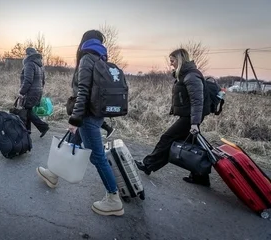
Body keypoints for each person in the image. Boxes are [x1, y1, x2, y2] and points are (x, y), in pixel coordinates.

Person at [36, 30, 124, 216]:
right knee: (72, 143)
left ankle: (114, 199)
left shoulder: (87, 59)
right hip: (95, 114)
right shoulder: (101, 59)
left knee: (98, 157)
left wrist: (75, 119)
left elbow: (83, 92)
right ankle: (53, 174)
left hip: (87, 116)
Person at [135, 48, 211, 187]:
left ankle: (148, 165)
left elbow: (197, 101)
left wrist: (194, 123)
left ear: (180, 60)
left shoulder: (191, 76)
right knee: (194, 144)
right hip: (189, 116)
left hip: (190, 117)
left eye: (172, 61)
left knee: (167, 138)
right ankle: (201, 177)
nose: (171, 64)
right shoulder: (185, 75)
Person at [18, 47, 49, 137]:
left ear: (27, 55)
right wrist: (40, 90)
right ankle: (27, 130)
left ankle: (43, 127)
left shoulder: (29, 64)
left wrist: (21, 92)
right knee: (28, 110)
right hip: (38, 91)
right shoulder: (40, 65)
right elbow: (43, 81)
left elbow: (28, 80)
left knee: (26, 110)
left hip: (30, 92)